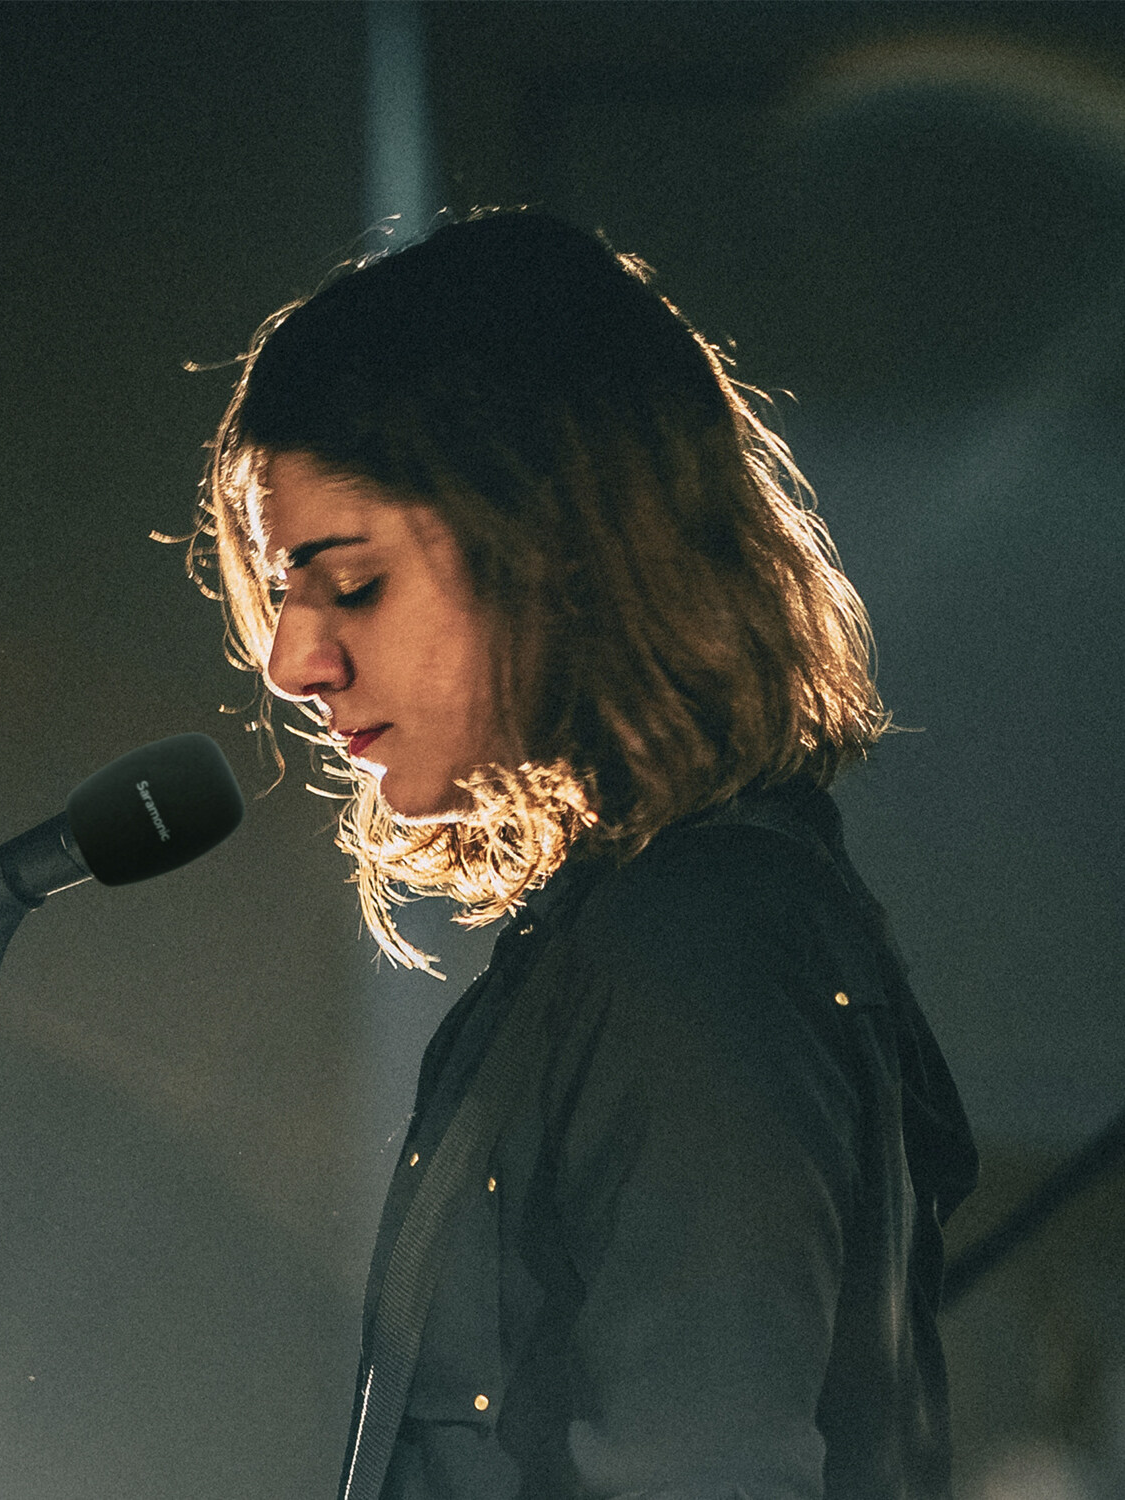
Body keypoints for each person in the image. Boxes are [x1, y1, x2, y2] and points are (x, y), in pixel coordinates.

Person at [181, 208, 979, 1499]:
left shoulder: (700, 948)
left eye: (352, 582)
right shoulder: (642, 931)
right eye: (284, 592)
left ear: (553, 548)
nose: (290, 662)